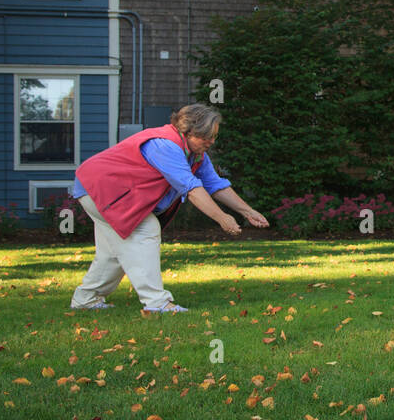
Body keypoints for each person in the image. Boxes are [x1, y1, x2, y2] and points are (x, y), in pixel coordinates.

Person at [69, 104, 268, 314]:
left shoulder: (196, 155)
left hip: (102, 191)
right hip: (100, 189)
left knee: (113, 251)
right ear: (187, 131)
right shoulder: (165, 145)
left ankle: (86, 299)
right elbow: (191, 188)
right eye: (206, 136)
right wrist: (222, 218)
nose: (211, 142)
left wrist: (248, 212)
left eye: (214, 136)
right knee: (144, 230)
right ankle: (157, 303)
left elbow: (215, 184)